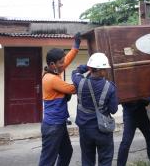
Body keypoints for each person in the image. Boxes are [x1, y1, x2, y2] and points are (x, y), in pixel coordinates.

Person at [39, 33, 81, 166]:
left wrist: (76, 46)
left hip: (59, 124)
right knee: (47, 160)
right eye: (61, 62)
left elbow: (67, 60)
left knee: (67, 152)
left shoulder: (53, 71)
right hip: (53, 126)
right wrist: (80, 75)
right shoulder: (51, 79)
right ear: (52, 64)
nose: (64, 64)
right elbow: (73, 89)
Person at [72, 53, 118, 166]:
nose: (106, 71)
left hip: (85, 130)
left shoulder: (79, 82)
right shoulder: (110, 87)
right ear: (101, 71)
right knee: (105, 160)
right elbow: (113, 110)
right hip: (102, 130)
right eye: (105, 69)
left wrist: (86, 67)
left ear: (91, 68)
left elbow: (75, 72)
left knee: (87, 160)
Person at [117, 100, 150, 166]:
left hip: (141, 113)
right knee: (126, 142)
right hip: (129, 114)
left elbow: (146, 102)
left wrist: (145, 99)